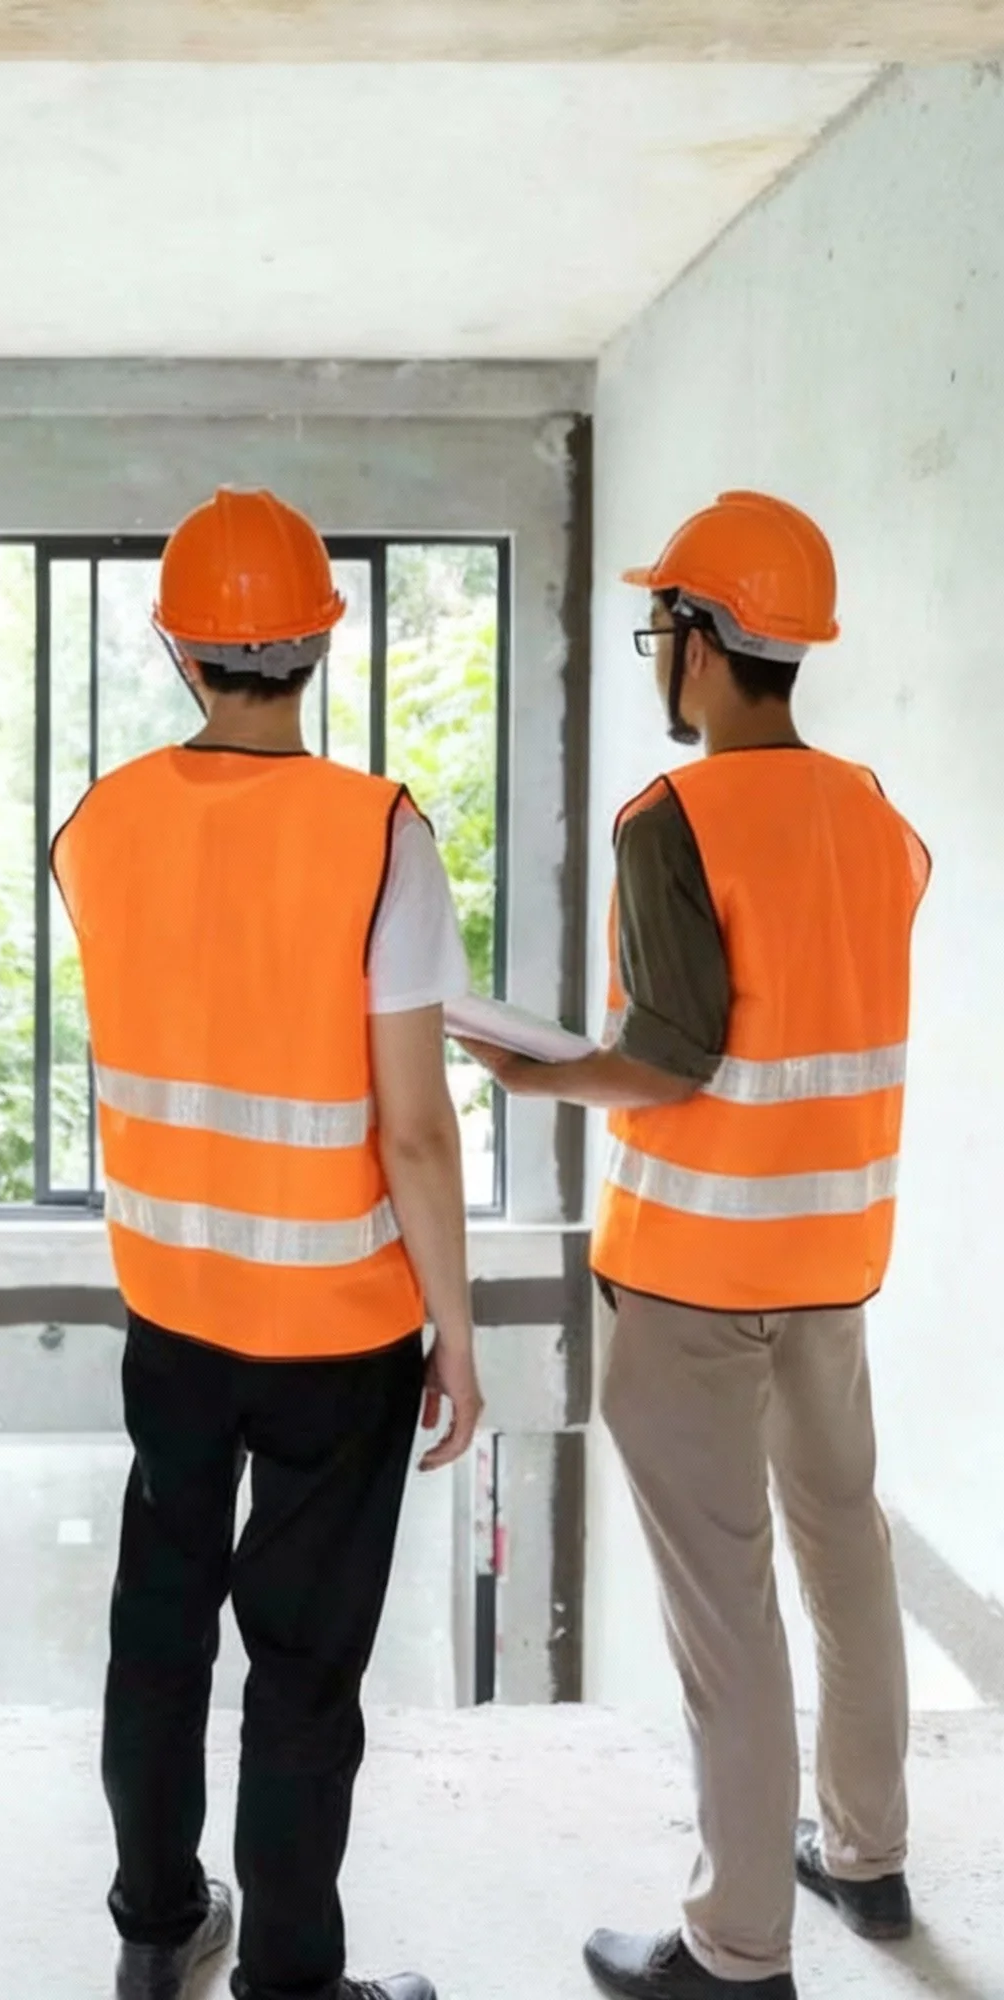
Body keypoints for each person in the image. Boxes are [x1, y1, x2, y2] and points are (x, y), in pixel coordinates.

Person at [458, 492, 930, 2000]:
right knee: (845, 1552)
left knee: (727, 1611)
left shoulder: (672, 819)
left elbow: (669, 1058)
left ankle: (737, 1951)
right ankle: (867, 1857)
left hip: (692, 1277)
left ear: (706, 643)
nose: (660, 652)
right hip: (834, 1260)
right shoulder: (875, 815)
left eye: (663, 626)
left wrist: (535, 1072)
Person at [51, 488, 485, 2000]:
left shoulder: (96, 824)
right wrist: (458, 1334)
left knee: (160, 1625)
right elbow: (416, 1131)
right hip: (338, 1332)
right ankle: (292, 1981)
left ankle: (157, 1923)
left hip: (173, 1307)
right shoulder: (380, 836)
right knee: (301, 1668)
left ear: (177, 649)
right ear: (323, 641)